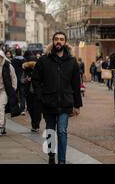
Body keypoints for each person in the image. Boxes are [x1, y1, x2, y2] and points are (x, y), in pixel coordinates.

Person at [32, 32, 82, 164]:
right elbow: (36, 80)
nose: (58, 41)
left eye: (61, 39)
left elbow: (76, 84)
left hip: (65, 102)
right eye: (56, 39)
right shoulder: (44, 60)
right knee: (50, 130)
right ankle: (51, 155)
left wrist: (77, 105)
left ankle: (62, 161)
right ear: (52, 41)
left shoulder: (72, 62)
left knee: (61, 131)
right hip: (48, 102)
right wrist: (40, 97)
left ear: (65, 42)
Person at [22, 51, 41, 132]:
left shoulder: (40, 70)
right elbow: (21, 80)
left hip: (37, 93)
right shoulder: (26, 71)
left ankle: (36, 125)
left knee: (37, 109)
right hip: (28, 92)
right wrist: (27, 79)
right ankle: (34, 122)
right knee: (30, 108)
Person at [11, 48, 26, 116]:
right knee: (22, 95)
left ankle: (15, 109)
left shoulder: (13, 61)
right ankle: (22, 110)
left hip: (15, 80)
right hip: (22, 80)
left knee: (15, 95)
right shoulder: (24, 60)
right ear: (21, 53)